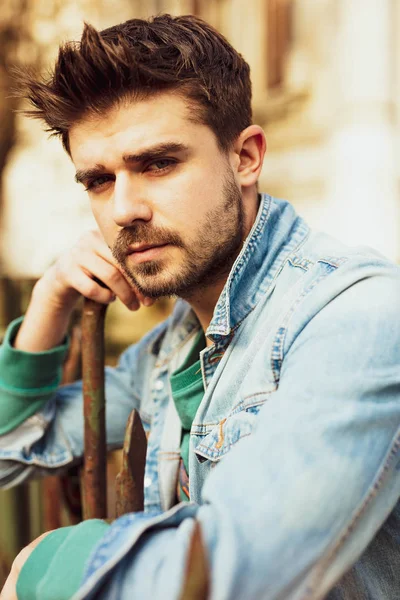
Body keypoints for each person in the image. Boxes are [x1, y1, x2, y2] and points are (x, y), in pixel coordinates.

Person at [1, 13, 400, 600]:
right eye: (99, 181)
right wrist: (48, 303)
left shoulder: (355, 317)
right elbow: (15, 451)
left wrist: (52, 563)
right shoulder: (171, 350)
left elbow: (244, 570)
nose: (124, 210)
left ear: (246, 157)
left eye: (158, 163)